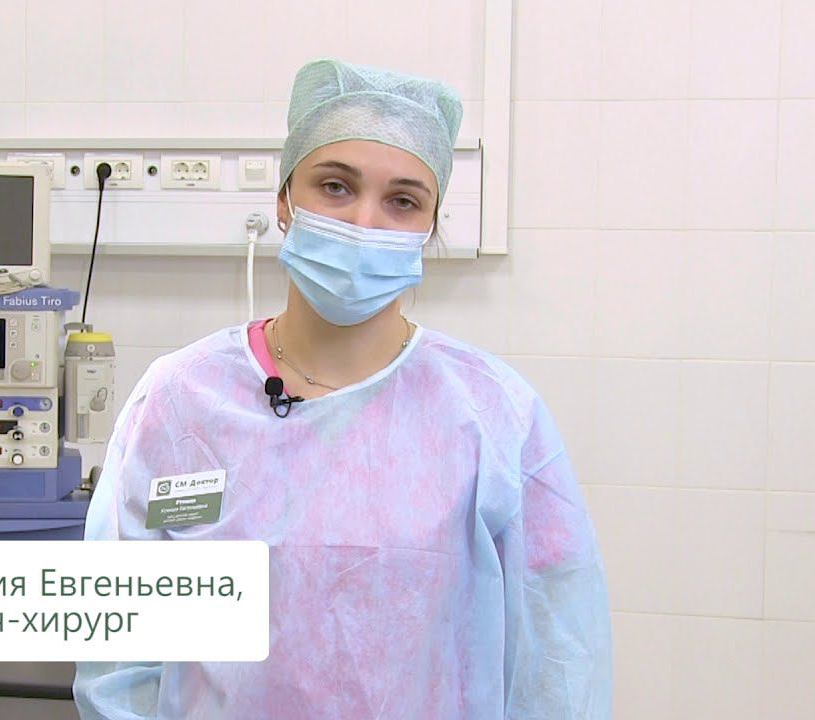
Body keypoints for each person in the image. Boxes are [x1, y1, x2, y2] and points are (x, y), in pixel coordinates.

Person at [74, 58, 612, 719]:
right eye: (335, 187)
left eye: (402, 201)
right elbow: (120, 649)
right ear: (283, 203)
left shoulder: (495, 416)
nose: (363, 221)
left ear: (429, 228)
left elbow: (556, 667)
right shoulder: (180, 401)